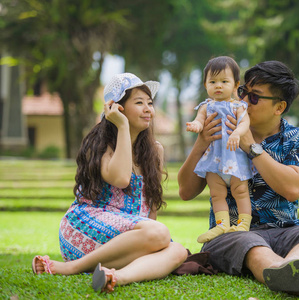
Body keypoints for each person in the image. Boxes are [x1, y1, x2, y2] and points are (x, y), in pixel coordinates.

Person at [178, 61, 299, 299]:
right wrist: (201, 144)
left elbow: (293, 188)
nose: (244, 101)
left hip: (285, 231)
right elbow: (185, 191)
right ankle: (292, 274)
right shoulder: (219, 130)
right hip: (232, 234)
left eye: (255, 97)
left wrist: (251, 147)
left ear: (279, 107)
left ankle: (295, 271)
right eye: (242, 93)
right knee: (252, 246)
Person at [31, 73, 188, 293]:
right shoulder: (101, 144)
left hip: (128, 239)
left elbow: (150, 206)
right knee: (161, 235)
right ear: (117, 108)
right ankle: (72, 267)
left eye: (150, 103)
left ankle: (115, 277)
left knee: (178, 250)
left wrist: (154, 240)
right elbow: (121, 179)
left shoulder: (155, 150)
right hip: (85, 228)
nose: (148, 109)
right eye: (139, 102)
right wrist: (123, 128)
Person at [186, 56, 253, 243]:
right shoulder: (206, 106)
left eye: (224, 81)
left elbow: (245, 123)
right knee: (216, 193)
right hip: (214, 161)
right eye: (213, 81)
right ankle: (221, 224)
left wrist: (237, 133)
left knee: (241, 191)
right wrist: (196, 126)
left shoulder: (238, 106)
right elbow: (200, 120)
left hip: (235, 159)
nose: (218, 86)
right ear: (205, 84)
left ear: (235, 85)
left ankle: (243, 223)